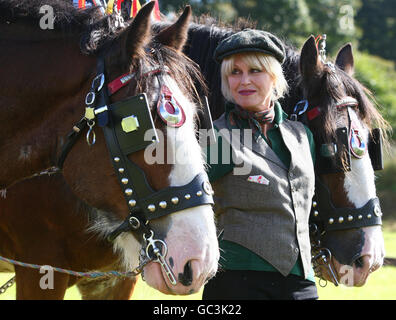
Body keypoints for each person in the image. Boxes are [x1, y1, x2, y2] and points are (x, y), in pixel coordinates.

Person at [202, 29, 318, 300]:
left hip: (302, 282)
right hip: (237, 281)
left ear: (274, 76)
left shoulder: (303, 135)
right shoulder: (216, 138)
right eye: (235, 72)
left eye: (255, 70)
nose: (244, 81)